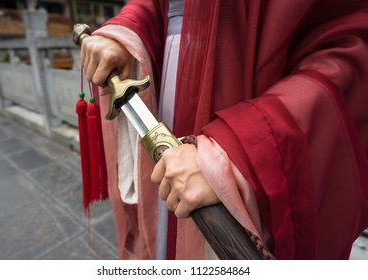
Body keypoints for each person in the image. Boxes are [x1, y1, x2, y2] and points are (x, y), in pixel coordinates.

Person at [80, 0, 368, 260]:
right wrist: (124, 29)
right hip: (164, 89)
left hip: (246, 91)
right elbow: (155, 5)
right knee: (164, 229)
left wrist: (236, 152)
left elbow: (347, 48)